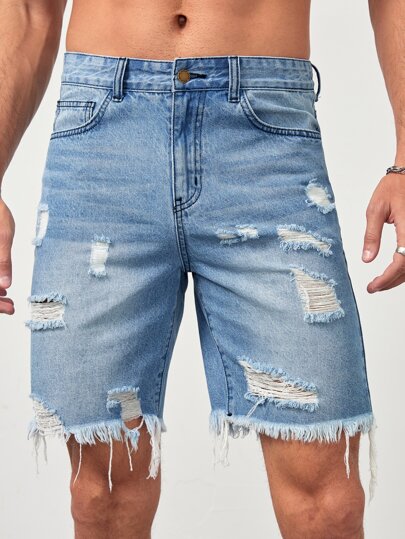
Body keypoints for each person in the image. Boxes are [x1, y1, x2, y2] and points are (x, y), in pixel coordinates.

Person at [1, 1, 404, 537]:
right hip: (101, 145)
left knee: (327, 504)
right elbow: (29, 10)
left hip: (266, 140)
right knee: (101, 497)